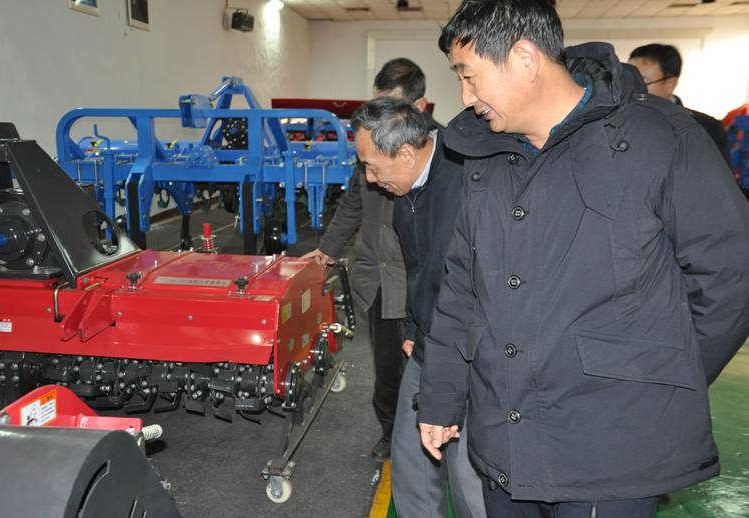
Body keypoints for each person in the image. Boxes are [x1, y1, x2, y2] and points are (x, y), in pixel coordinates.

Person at [417, 1, 749, 517]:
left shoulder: (657, 137)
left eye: (469, 76)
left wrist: (655, 376)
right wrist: (440, 395)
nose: (465, 97)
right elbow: (462, 287)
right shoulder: (487, 156)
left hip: (609, 454)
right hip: (505, 443)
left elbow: (731, 276)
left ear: (524, 58)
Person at [350, 98, 485, 517]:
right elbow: (417, 267)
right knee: (410, 461)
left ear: (406, 154)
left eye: (373, 167)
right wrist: (412, 326)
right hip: (427, 342)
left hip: (468, 350)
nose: (370, 179)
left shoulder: (467, 182)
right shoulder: (406, 190)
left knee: (468, 476)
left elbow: (468, 284)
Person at [302, 58, 435, 463]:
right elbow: (352, 205)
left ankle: (432, 436)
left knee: (428, 366)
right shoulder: (372, 150)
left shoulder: (440, 155)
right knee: (387, 369)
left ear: (419, 107)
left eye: (391, 108)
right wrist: (326, 250)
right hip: (376, 281)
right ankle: (391, 433)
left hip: (417, 281)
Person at [629, 43, 730, 164]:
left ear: (670, 84)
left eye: (641, 81)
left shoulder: (706, 128)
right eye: (627, 80)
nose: (631, 88)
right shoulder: (617, 123)